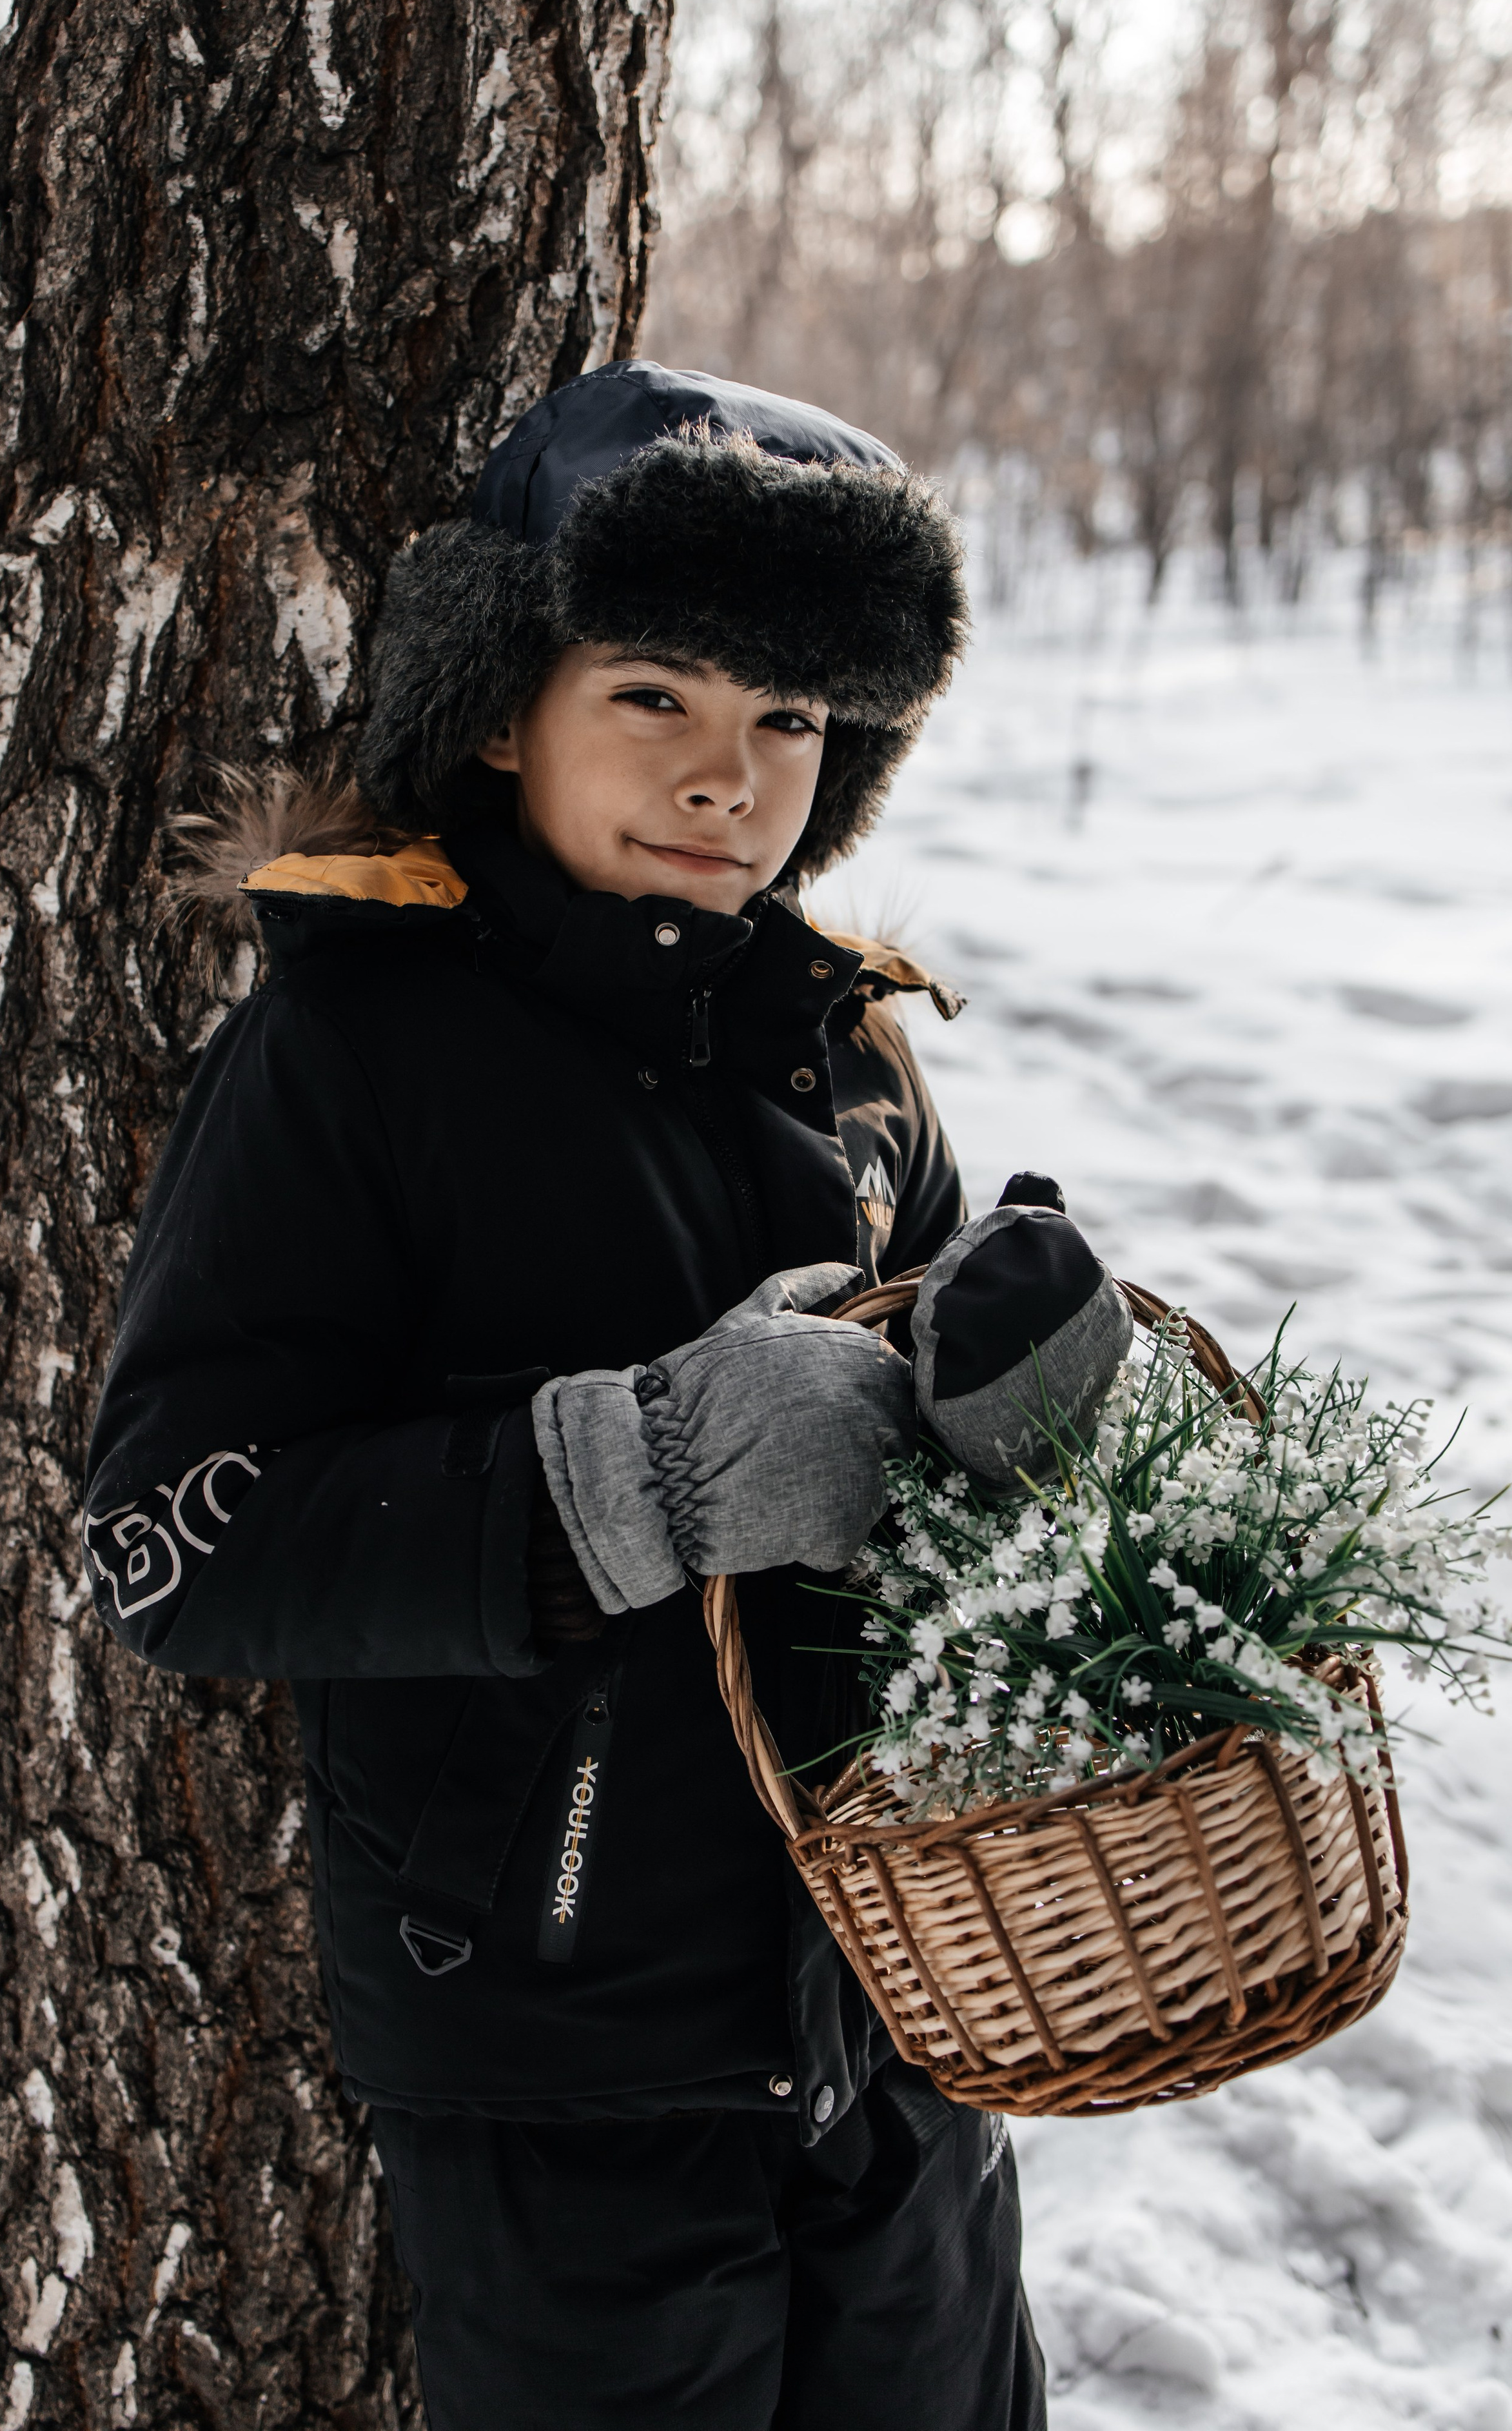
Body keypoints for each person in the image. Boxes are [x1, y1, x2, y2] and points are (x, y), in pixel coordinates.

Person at [83, 361, 1048, 2430]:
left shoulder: (852, 1053)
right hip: (557, 2025)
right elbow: (178, 1540)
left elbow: (945, 1458)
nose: (730, 776)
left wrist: (1032, 1407)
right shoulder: (359, 1055)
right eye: (659, 698)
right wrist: (641, 1475)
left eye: (792, 719)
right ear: (504, 697)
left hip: (892, 2000)